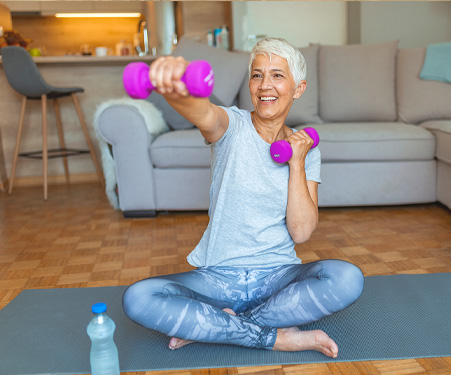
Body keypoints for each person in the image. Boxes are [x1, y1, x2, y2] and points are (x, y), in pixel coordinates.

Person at [122, 38, 364, 358]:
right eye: (257, 75)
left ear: (298, 87)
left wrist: (296, 162)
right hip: (216, 278)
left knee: (347, 278)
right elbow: (202, 110)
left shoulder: (306, 149)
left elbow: (302, 232)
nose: (265, 85)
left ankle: (217, 328)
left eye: (277, 75)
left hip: (278, 279)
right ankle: (274, 337)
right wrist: (172, 86)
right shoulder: (232, 125)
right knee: (138, 297)